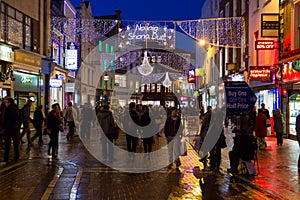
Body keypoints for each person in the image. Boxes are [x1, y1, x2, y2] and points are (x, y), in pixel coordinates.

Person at [3, 98, 20, 163]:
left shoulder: (7, 109)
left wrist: (3, 127)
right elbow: (19, 119)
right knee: (16, 143)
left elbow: (4, 119)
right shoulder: (16, 109)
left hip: (8, 128)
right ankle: (16, 156)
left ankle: (6, 157)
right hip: (15, 128)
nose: (5, 103)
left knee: (7, 144)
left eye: (6, 102)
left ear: (9, 102)